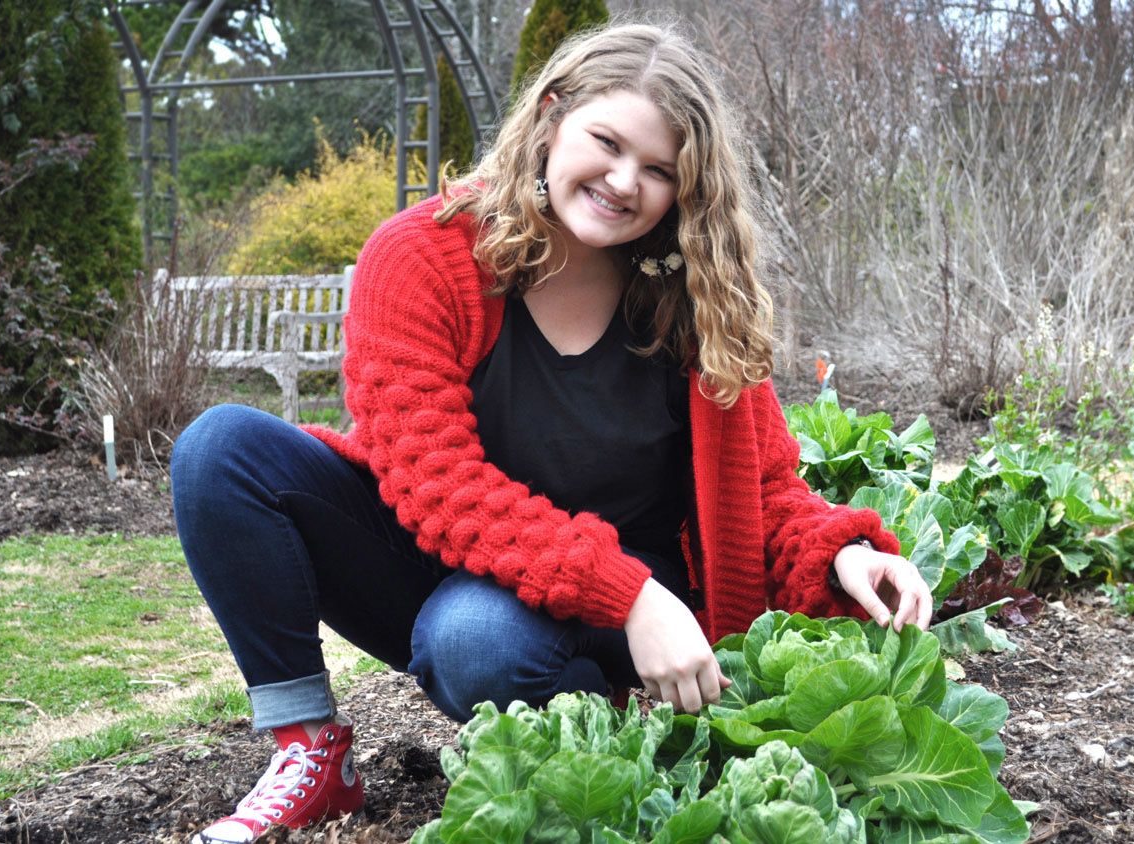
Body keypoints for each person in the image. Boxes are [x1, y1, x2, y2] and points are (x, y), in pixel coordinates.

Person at [170, 21, 932, 844]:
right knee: (222, 450)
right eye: (606, 142)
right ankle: (312, 753)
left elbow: (766, 488)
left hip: (625, 615)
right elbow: (436, 482)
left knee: (477, 640)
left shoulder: (690, 294)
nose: (622, 181)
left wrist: (841, 553)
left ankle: (620, 733)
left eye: (658, 171)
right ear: (551, 114)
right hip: (468, 564)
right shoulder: (425, 257)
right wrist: (628, 593)